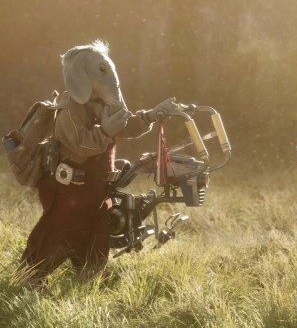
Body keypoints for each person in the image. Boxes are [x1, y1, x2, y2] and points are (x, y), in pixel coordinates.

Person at [18, 40, 180, 287]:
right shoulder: (68, 111)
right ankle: (31, 277)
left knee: (96, 234)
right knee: (58, 231)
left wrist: (150, 115)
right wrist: (105, 131)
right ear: (80, 76)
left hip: (97, 190)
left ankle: (89, 277)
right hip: (70, 190)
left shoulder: (100, 105)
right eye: (101, 71)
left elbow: (124, 123)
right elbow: (81, 145)